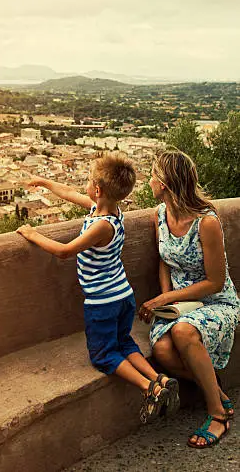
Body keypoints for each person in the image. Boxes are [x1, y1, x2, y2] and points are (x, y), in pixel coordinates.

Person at [17, 152, 178, 424]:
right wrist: (44, 183)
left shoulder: (100, 226)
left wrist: (33, 234)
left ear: (98, 189)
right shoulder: (110, 211)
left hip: (103, 302)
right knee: (124, 343)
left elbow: (66, 252)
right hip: (123, 294)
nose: (85, 186)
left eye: (90, 182)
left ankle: (149, 389)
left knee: (104, 355)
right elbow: (68, 192)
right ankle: (158, 378)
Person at [139, 149, 239, 448]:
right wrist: (166, 302)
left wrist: (165, 297)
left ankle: (217, 413)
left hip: (215, 301)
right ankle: (216, 391)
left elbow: (215, 281)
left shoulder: (206, 222)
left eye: (153, 175)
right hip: (180, 303)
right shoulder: (159, 216)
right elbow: (164, 262)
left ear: (165, 184)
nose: (149, 181)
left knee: (183, 331)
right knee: (163, 350)